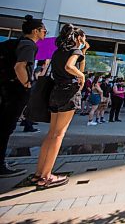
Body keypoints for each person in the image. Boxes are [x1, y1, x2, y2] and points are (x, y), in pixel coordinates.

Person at [34, 23, 88, 188]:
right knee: (59, 135)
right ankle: (47, 176)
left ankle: (39, 173)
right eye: (83, 38)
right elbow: (70, 67)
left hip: (55, 92)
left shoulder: (58, 52)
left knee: (51, 133)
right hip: (67, 92)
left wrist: (83, 52)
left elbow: (69, 65)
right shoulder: (74, 51)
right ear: (78, 38)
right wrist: (82, 77)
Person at [0, 15, 46, 177]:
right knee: (6, 127)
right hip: (15, 91)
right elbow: (20, 67)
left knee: (5, 126)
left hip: (6, 89)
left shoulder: (17, 43)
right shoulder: (29, 45)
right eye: (43, 30)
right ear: (35, 31)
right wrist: (26, 85)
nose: (45, 33)